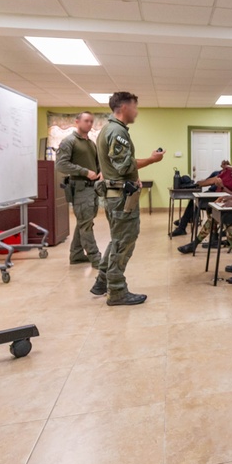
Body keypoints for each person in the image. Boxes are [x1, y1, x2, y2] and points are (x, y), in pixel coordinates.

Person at [89, 92, 163, 306]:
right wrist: (151, 159)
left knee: (117, 239)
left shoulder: (110, 129)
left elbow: (119, 167)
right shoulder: (117, 131)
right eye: (135, 107)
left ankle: (103, 281)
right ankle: (117, 291)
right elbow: (124, 166)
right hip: (120, 198)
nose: (137, 112)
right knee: (124, 241)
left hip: (116, 194)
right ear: (123, 108)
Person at [177, 161, 232, 254]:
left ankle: (195, 243)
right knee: (213, 214)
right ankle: (197, 242)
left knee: (215, 216)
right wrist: (228, 198)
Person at [54, 111, 102, 268]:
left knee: (84, 222)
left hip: (92, 188)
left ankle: (76, 254)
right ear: (77, 122)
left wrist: (100, 171)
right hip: (80, 187)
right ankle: (96, 258)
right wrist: (84, 172)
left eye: (91, 121)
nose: (89, 124)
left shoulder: (90, 143)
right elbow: (61, 164)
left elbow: (96, 163)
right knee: (85, 224)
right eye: (86, 121)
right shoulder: (69, 141)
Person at [171, 158, 232, 236]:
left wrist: (222, 187)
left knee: (203, 206)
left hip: (224, 200)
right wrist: (196, 184)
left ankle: (213, 237)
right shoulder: (228, 171)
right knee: (194, 200)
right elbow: (213, 180)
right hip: (215, 195)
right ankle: (182, 227)